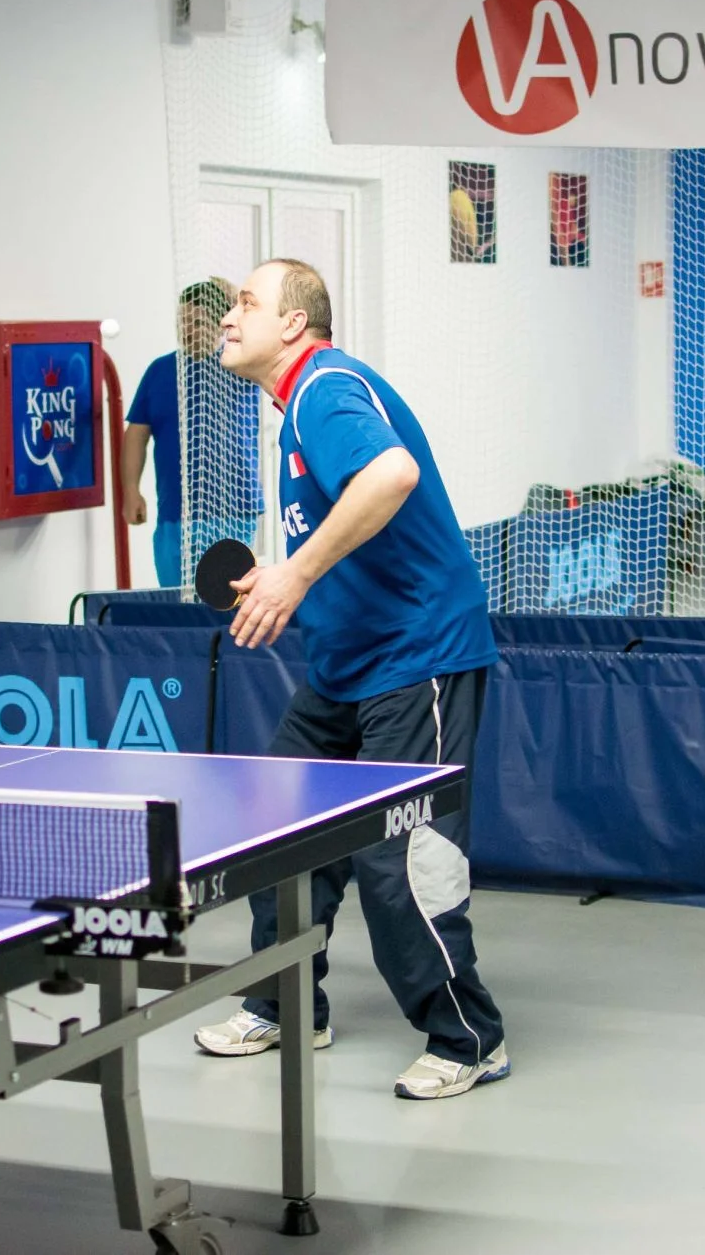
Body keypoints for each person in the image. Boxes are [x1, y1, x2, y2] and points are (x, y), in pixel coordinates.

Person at [191, 258, 508, 1101]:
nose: (228, 317)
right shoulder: (294, 409)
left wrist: (295, 576)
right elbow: (343, 528)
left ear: (294, 323)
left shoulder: (326, 390)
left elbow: (393, 475)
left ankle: (469, 1036)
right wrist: (282, 574)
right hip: (344, 662)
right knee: (280, 828)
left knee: (402, 854)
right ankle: (285, 1002)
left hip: (416, 655)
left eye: (247, 303)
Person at [121, 279, 260, 587]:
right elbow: (136, 435)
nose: (187, 330)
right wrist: (131, 490)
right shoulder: (160, 371)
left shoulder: (241, 365)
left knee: (227, 601)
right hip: (175, 512)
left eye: (196, 322)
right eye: (182, 321)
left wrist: (237, 302)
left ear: (220, 324)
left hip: (234, 512)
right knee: (177, 599)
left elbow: (262, 339)